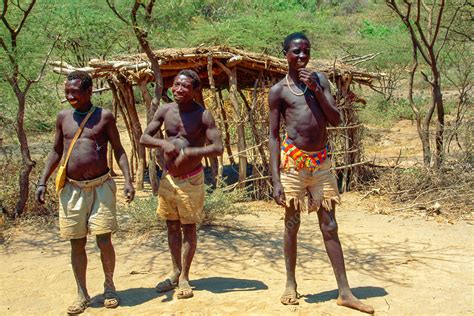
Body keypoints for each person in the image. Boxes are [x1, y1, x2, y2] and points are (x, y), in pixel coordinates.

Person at [268, 32, 374, 314]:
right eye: (295, 52)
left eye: (306, 51)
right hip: (292, 163)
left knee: (330, 226)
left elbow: (336, 119)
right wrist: (275, 179)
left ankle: (345, 291)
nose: (301, 56)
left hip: (321, 163)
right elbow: (273, 136)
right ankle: (290, 283)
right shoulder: (279, 90)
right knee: (292, 224)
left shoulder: (320, 80)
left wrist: (316, 90)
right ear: (285, 54)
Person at [36, 71, 135, 314]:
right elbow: (56, 151)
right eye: (67, 92)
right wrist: (41, 181)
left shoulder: (105, 117)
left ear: (90, 91)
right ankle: (82, 293)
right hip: (72, 189)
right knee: (76, 242)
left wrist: (129, 180)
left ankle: (109, 287)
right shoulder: (63, 117)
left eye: (75, 92)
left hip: (101, 187)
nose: (70, 96)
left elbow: (119, 150)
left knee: (103, 239)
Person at [140, 69, 223, 299]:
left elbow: (217, 147)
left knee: (188, 228)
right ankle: (175, 271)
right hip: (168, 178)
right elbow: (144, 138)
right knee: (172, 226)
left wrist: (190, 151)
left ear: (196, 90)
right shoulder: (165, 110)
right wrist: (162, 144)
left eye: (185, 86)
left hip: (192, 179)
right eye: (176, 84)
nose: (178, 89)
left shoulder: (203, 115)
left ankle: (185, 276)